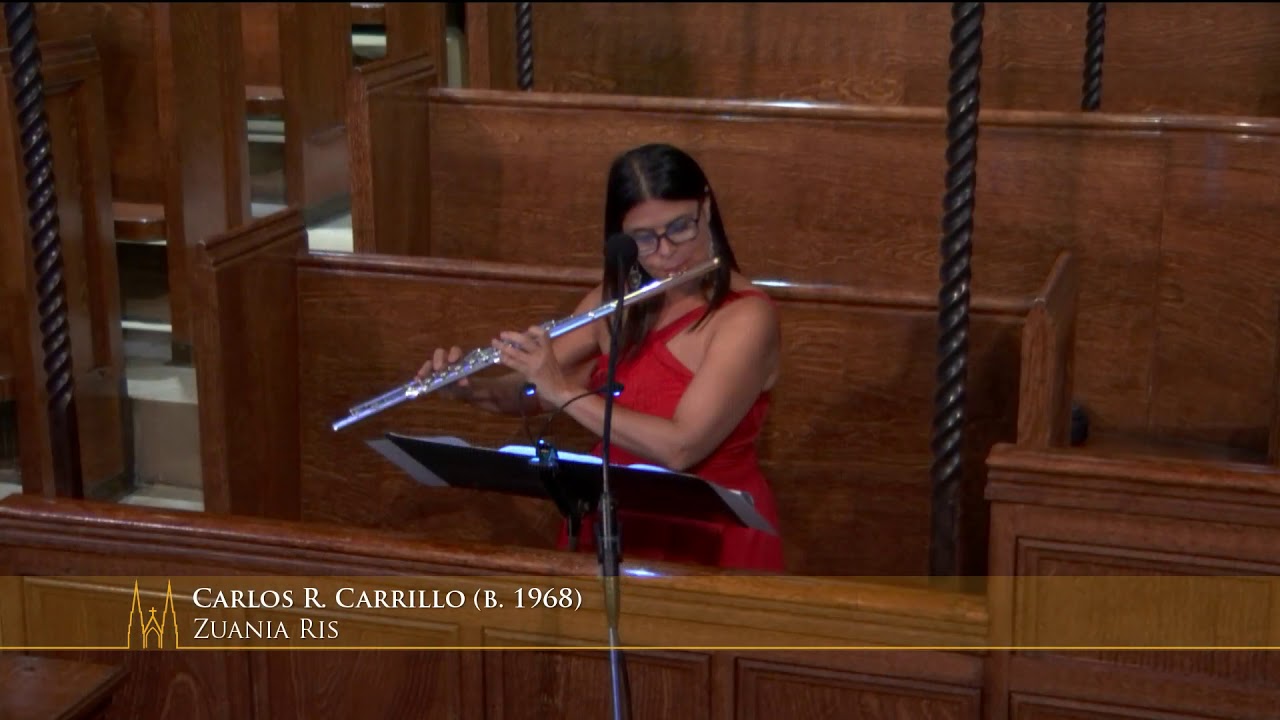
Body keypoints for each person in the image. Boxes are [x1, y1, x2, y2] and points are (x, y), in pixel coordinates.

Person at [419, 143, 785, 572]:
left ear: (706, 206)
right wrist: (467, 390)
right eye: (644, 239)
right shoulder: (614, 301)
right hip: (616, 521)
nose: (665, 253)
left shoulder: (745, 317)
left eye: (680, 227)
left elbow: (681, 446)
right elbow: (534, 391)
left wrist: (564, 390)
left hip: (713, 534)